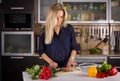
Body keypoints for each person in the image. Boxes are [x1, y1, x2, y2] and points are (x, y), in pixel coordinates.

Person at [38, 3, 78, 68]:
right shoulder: (44, 31)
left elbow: (74, 47)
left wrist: (71, 60)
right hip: (51, 68)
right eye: (56, 17)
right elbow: (41, 51)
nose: (59, 20)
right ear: (51, 17)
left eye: (61, 17)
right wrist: (51, 62)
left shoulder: (69, 29)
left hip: (67, 67)